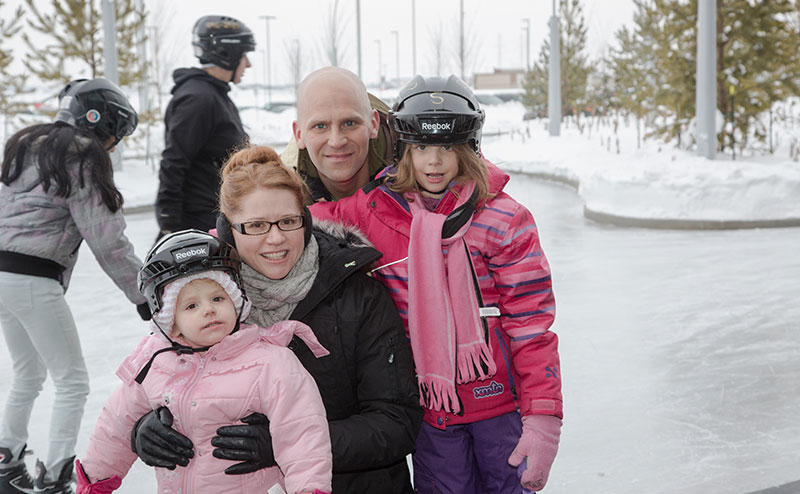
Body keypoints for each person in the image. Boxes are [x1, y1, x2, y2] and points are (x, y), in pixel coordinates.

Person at [310, 74, 564, 493]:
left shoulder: (504, 219)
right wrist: (222, 239)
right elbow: (300, 222)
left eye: (447, 147)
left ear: (470, 148)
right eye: (422, 147)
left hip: (501, 409)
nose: (433, 162)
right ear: (402, 149)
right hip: (431, 414)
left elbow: (531, 324)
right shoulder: (375, 211)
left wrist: (543, 416)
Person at [129, 146, 422, 493]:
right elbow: (159, 384)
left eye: (287, 221)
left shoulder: (358, 295)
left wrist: (288, 442)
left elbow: (396, 422)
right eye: (255, 225)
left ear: (305, 219)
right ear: (229, 230)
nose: (275, 239)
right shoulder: (202, 301)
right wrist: (143, 429)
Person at [76, 230, 332, 494]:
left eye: (218, 298)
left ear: (236, 302)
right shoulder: (155, 363)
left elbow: (302, 433)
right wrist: (95, 480)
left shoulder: (271, 362)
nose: (208, 309)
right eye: (191, 306)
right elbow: (116, 423)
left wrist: (309, 488)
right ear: (170, 321)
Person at [0, 78, 149, 494]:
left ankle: (4, 461)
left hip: (2, 276)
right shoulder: (83, 155)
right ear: (101, 124)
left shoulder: (29, 147)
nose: (114, 148)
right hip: (33, 278)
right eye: (116, 136)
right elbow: (107, 238)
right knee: (72, 381)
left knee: (28, 373)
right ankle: (56, 477)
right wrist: (143, 297)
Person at [155, 14, 255, 237]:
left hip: (216, 215)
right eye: (244, 55)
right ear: (227, 54)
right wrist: (169, 222)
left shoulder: (216, 95)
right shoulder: (198, 100)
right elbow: (174, 160)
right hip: (196, 222)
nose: (248, 63)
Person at [283, 66, 393, 202]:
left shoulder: (418, 175)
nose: (336, 141)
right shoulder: (277, 198)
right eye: (320, 126)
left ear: (374, 124)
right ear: (298, 135)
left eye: (349, 123)